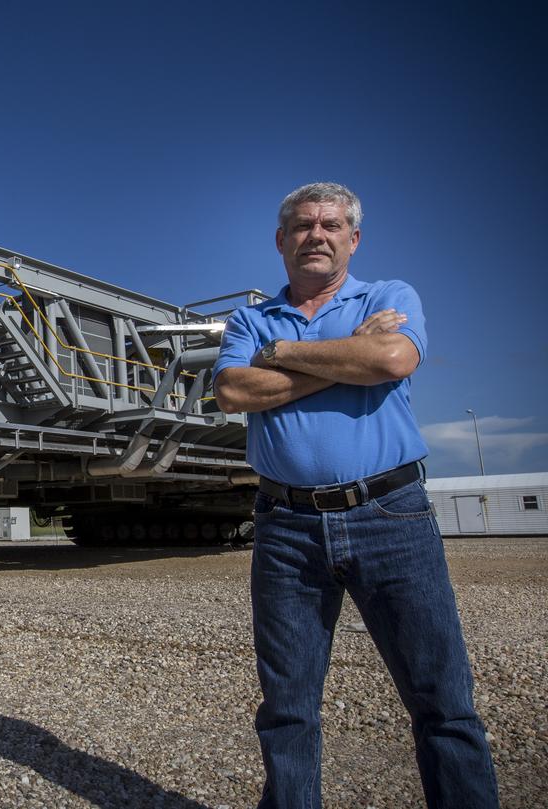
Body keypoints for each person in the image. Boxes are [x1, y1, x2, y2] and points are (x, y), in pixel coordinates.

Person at [212, 182, 499, 808]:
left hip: (391, 516)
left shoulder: (389, 297)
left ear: (353, 238)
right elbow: (234, 393)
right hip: (286, 526)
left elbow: (393, 359)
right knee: (288, 710)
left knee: (443, 703)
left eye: (331, 225)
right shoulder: (249, 319)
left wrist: (286, 354)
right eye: (303, 225)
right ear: (281, 239)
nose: (317, 234)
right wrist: (348, 358)